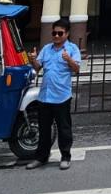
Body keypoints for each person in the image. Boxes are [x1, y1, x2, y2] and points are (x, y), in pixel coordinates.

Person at [25, 18, 81, 171]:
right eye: (54, 33)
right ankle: (41, 157)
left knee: (64, 128)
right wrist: (33, 60)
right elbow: (37, 68)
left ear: (67, 34)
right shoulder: (47, 49)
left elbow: (76, 69)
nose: (56, 36)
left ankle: (65, 156)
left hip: (61, 95)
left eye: (59, 33)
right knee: (44, 129)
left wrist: (68, 59)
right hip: (45, 95)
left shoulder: (72, 49)